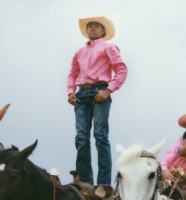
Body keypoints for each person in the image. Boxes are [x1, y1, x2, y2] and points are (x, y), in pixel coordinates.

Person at [67, 16, 128, 198]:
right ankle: (86, 183)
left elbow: (121, 69)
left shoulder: (109, 47)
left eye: (96, 26)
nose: (92, 29)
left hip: (100, 92)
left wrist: (108, 90)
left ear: (103, 31)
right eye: (90, 27)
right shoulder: (79, 52)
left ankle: (103, 184)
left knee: (100, 136)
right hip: (81, 95)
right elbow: (72, 74)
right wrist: (71, 92)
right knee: (81, 138)